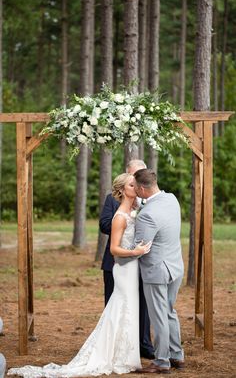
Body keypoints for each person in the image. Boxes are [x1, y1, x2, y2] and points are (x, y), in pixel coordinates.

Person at [8, 173, 151, 378]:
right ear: (121, 190)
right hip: (124, 268)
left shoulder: (135, 211)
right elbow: (114, 249)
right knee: (123, 308)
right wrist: (135, 252)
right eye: (131, 184)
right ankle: (116, 356)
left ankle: (126, 356)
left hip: (132, 268)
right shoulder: (119, 217)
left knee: (127, 309)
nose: (135, 187)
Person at [100, 159, 155, 360]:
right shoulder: (114, 202)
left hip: (143, 263)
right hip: (120, 262)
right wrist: (124, 220)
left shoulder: (151, 200)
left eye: (141, 175)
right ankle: (112, 347)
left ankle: (143, 345)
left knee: (141, 305)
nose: (139, 182)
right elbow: (105, 224)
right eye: (134, 178)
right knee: (116, 304)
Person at [133, 168, 185, 374]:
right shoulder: (171, 199)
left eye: (136, 188)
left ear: (143, 189)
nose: (135, 191)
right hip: (175, 266)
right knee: (169, 312)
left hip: (157, 271)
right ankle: (177, 355)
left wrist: (118, 253)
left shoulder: (147, 215)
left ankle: (162, 361)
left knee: (159, 316)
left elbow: (139, 248)